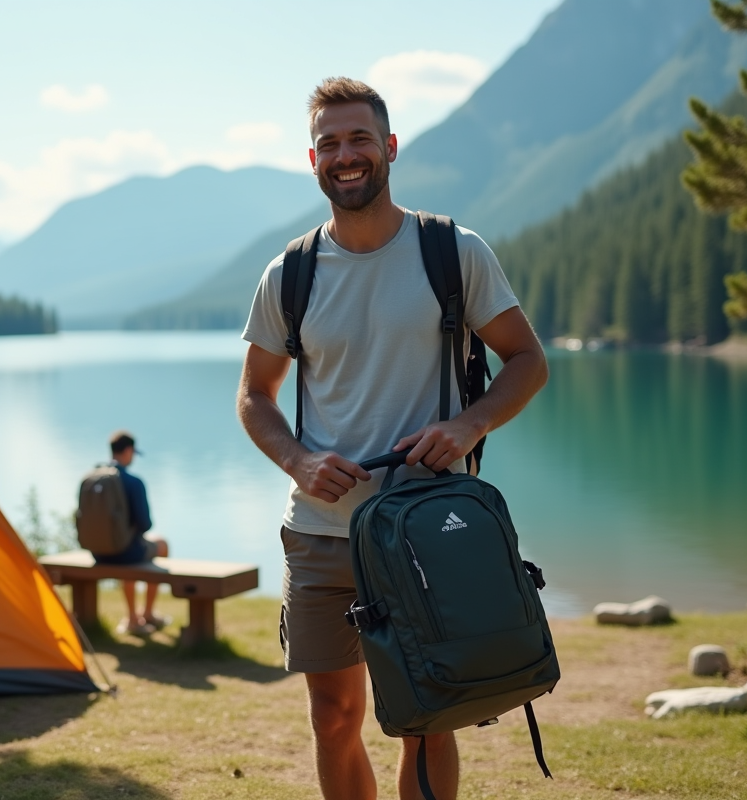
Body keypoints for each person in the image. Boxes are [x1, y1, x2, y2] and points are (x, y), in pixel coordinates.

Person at [235, 77, 549, 800]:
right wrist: (299, 459)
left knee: (428, 714)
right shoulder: (290, 274)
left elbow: (528, 361)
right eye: (329, 143)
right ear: (312, 158)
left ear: (390, 148)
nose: (345, 155)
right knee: (333, 717)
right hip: (321, 532)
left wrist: (470, 424)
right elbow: (254, 396)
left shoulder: (453, 251)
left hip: (428, 529)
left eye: (359, 139)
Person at [93, 430, 171, 636]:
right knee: (160, 545)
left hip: (97, 553)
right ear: (128, 451)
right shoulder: (133, 481)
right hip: (124, 553)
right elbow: (145, 524)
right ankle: (145, 614)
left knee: (129, 548)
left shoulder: (93, 477)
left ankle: (132, 616)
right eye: (133, 453)